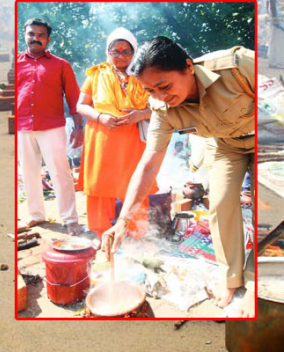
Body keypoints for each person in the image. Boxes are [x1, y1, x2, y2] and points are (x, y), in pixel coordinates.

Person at [102, 37, 255, 317]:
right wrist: (124, 220)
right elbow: (149, 163)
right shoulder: (161, 108)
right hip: (226, 146)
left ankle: (259, 284)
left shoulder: (237, 66)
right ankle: (231, 278)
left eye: (164, 86)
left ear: (188, 67)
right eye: (150, 90)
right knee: (220, 205)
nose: (159, 96)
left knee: (270, 208)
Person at [75, 28, 158, 240]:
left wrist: (141, 114)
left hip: (133, 139)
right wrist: (101, 117)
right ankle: (101, 233)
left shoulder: (144, 74)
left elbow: (160, 105)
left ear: (134, 52)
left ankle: (136, 232)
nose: (120, 55)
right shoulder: (95, 74)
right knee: (101, 185)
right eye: (115, 51)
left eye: (126, 51)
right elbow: (81, 105)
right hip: (102, 138)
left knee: (136, 182)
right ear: (108, 52)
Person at [16, 18, 83, 235]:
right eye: (31, 34)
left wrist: (79, 127)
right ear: (25, 35)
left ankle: (70, 219)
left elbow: (74, 98)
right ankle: (36, 215)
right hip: (23, 125)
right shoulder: (16, 63)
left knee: (60, 172)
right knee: (28, 172)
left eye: (41, 35)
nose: (35, 38)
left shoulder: (60, 65)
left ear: (48, 39)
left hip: (52, 126)